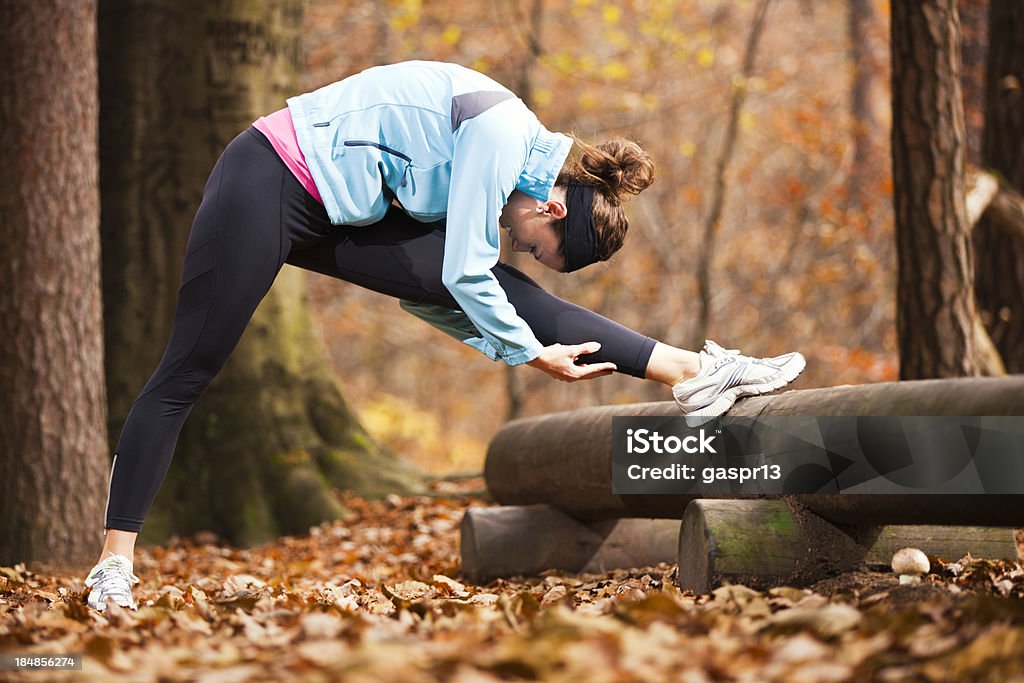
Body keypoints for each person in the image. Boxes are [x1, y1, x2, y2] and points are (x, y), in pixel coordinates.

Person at [83, 61, 804, 611]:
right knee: (189, 368)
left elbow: (434, 292)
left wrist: (506, 341)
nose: (521, 244)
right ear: (552, 205)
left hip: (340, 210)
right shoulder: (499, 131)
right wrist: (525, 351)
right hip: (269, 175)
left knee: (509, 294)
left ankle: (695, 370)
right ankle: (114, 562)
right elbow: (463, 271)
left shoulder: (510, 159)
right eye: (538, 244)